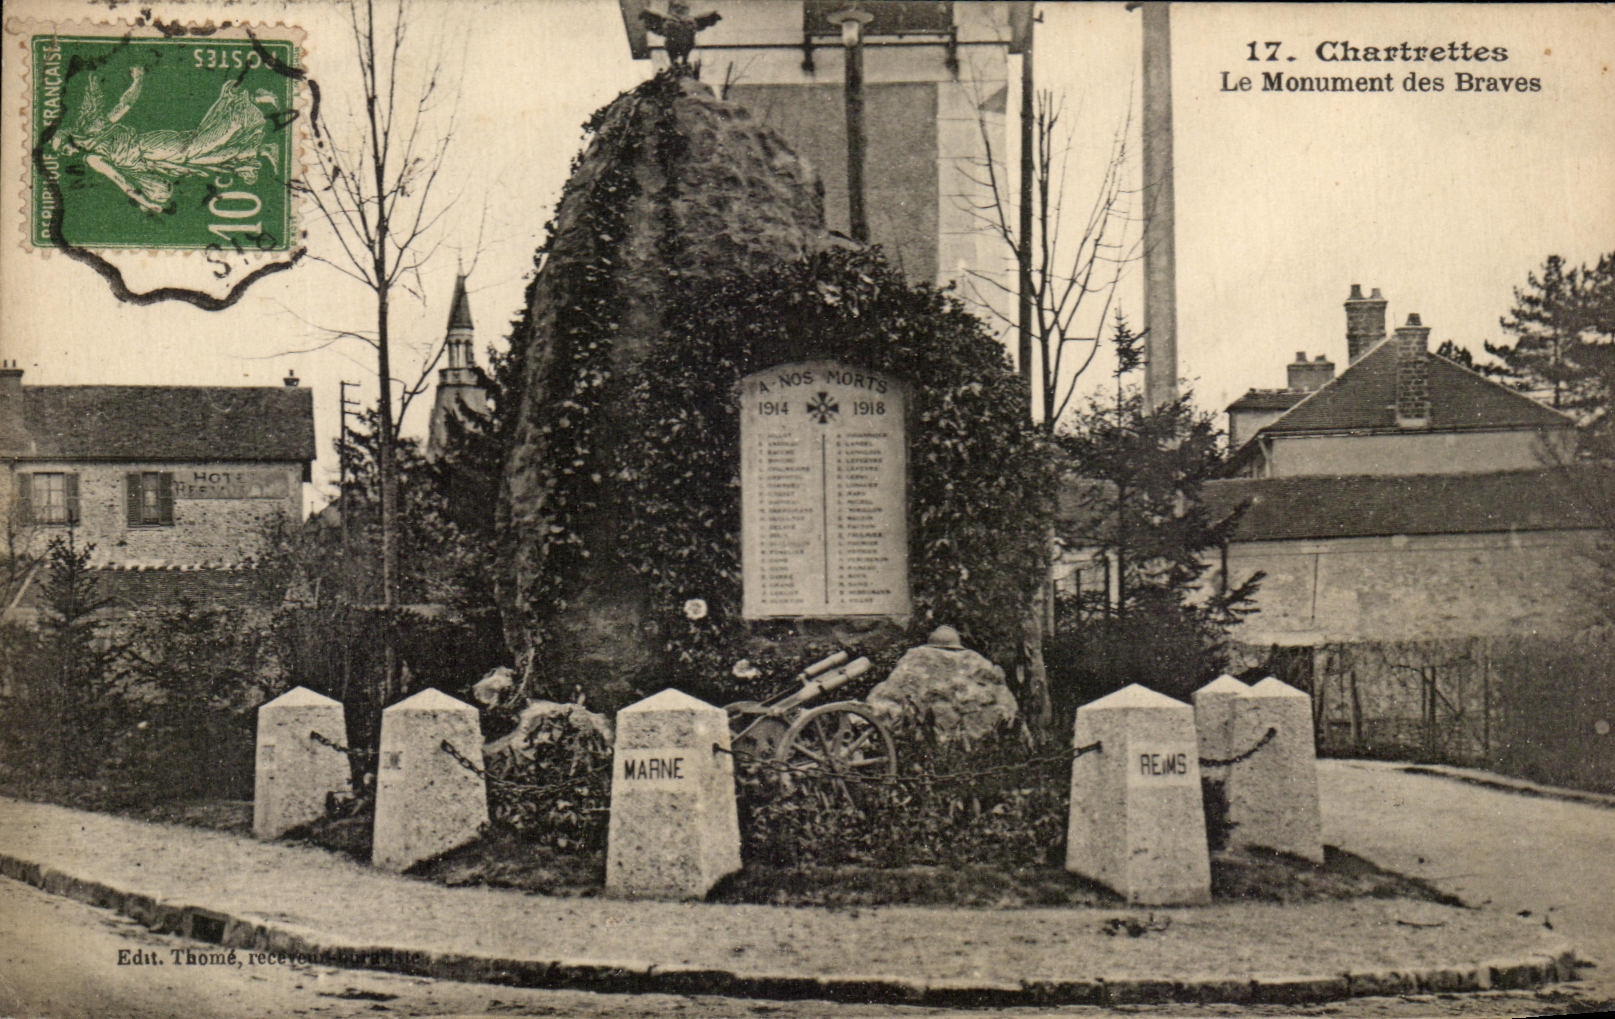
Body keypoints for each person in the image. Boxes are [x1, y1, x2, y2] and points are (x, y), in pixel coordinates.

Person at [52, 68, 281, 212]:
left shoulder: (92, 156)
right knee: (203, 157)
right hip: (152, 156)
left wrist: (148, 203)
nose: (67, 155)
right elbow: (125, 105)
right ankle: (262, 148)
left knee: (196, 149)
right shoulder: (97, 134)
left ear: (68, 141)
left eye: (64, 150)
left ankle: (249, 102)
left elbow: (122, 182)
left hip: (150, 149)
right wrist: (138, 80)